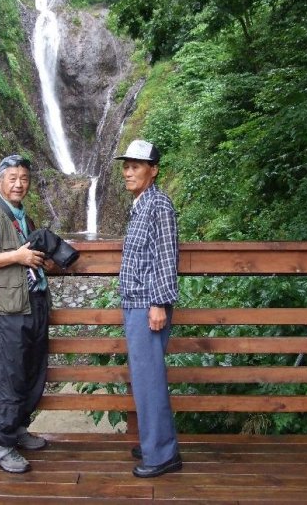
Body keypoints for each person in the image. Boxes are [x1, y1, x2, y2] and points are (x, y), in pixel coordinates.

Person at [0, 154, 51, 474]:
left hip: (33, 304)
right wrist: (17, 256)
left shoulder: (23, 217)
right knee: (5, 377)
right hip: (6, 311)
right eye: (12, 178)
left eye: (24, 179)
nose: (19, 184)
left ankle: (16, 430)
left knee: (30, 372)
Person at [114, 139, 182, 478]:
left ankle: (162, 455)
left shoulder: (159, 205)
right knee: (144, 378)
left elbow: (166, 258)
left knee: (149, 379)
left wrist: (158, 304)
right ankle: (156, 442)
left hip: (147, 306)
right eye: (126, 166)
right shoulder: (142, 205)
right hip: (135, 304)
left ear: (153, 171)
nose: (128, 172)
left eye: (136, 166)